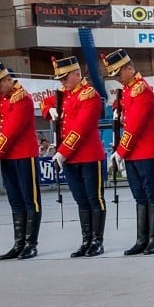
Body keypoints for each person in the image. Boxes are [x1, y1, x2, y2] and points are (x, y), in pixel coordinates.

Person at [42, 56, 107, 257]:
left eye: (65, 77)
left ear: (77, 74)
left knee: (94, 199)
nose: (61, 81)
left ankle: (97, 241)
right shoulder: (64, 93)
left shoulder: (89, 95)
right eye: (60, 78)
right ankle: (86, 239)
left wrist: (62, 152)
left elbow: (81, 128)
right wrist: (49, 109)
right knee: (81, 200)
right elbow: (46, 101)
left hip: (88, 156)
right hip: (70, 159)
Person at [103, 49, 154, 256]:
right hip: (132, 153)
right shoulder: (127, 90)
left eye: (119, 74)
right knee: (139, 197)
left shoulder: (141, 90)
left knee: (151, 195)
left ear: (129, 68)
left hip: (146, 151)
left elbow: (135, 126)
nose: (117, 78)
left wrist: (120, 152)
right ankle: (142, 239)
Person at [0, 64, 42, 260]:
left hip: (24, 155)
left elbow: (11, 131)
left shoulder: (22, 99)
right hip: (8, 157)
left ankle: (31, 243)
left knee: (29, 200)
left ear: (8, 80)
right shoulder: (1, 95)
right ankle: (18, 243)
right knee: (15, 200)